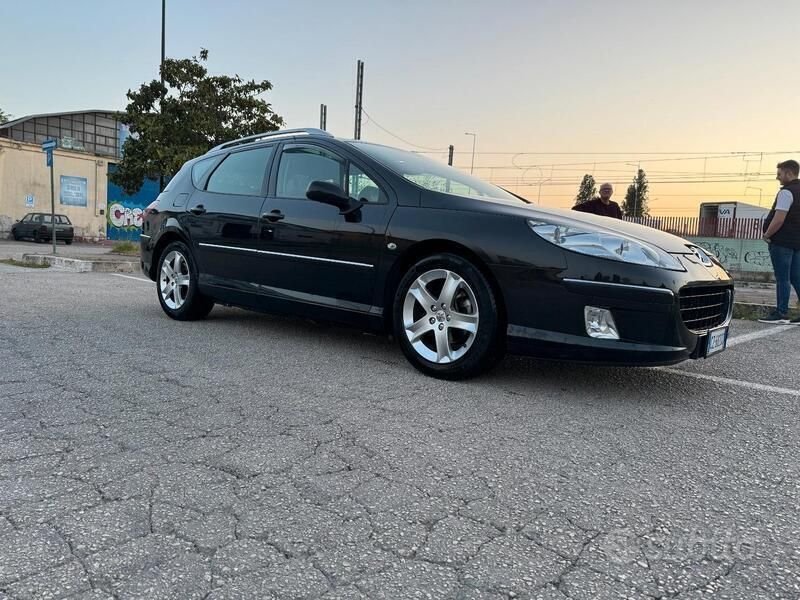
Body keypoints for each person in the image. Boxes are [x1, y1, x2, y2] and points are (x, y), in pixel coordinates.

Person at [759, 160, 800, 324]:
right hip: (797, 243)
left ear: (789, 173)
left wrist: (767, 234)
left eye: (780, 174)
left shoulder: (786, 192)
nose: (778, 177)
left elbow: (779, 218)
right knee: (797, 278)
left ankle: (781, 313)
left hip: (782, 242)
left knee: (783, 278)